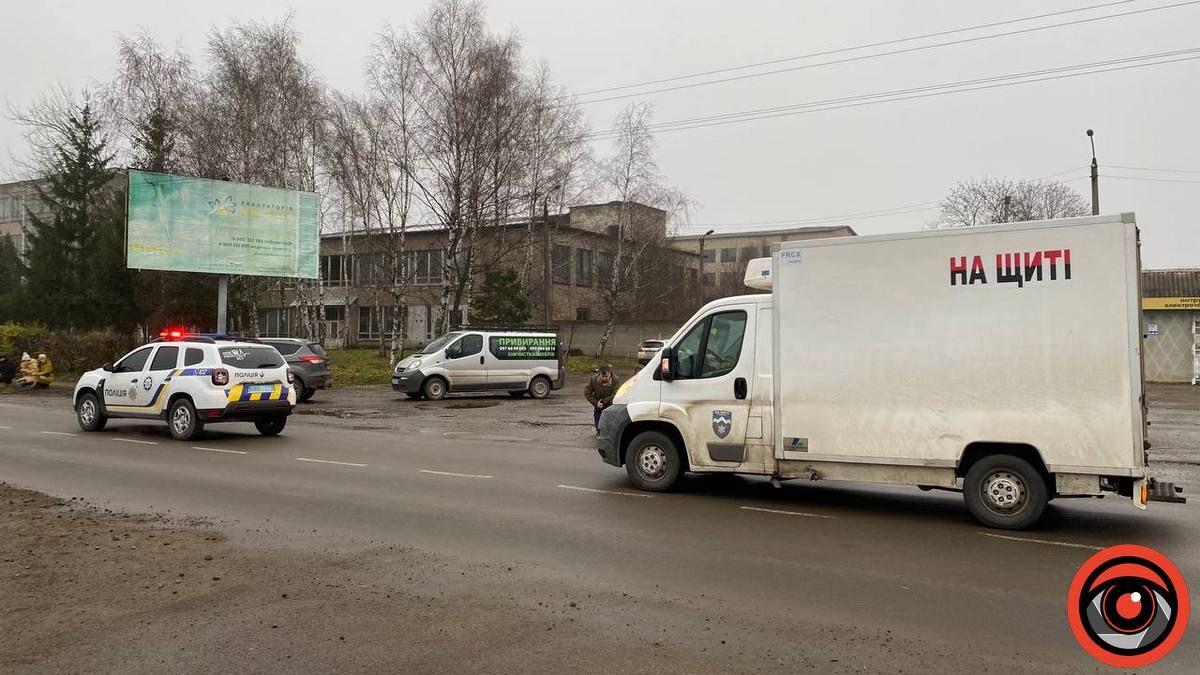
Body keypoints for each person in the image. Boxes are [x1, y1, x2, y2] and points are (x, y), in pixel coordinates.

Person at [585, 365, 621, 432]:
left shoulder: (616, 380)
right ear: (599, 374)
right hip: (598, 403)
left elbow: (616, 393)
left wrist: (605, 401)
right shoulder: (594, 379)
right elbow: (587, 393)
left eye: (606, 376)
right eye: (602, 376)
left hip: (610, 403)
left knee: (610, 427)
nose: (604, 378)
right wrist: (596, 403)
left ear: (610, 374)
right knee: (599, 428)